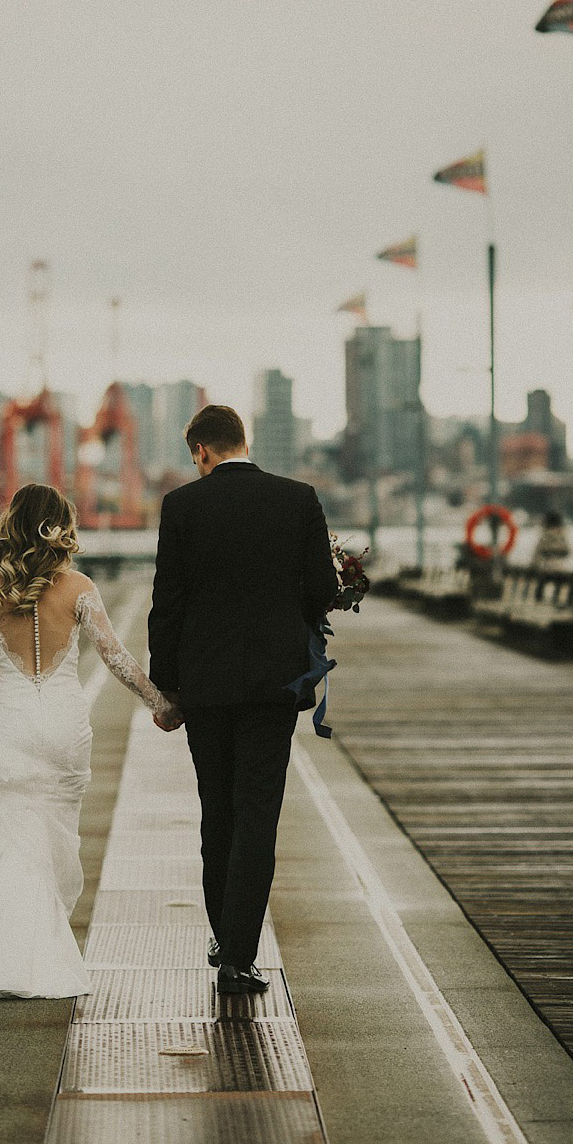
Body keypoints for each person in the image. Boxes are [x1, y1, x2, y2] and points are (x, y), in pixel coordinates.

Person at [0, 485, 178, 997]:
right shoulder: (79, 587)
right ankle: (36, 953)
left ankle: (7, 957)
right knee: (53, 841)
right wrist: (159, 703)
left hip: (13, 723)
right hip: (64, 725)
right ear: (62, 526)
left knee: (17, 842)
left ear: (12, 523)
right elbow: (115, 656)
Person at [148, 405, 339, 995]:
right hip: (272, 686)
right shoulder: (298, 499)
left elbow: (167, 602)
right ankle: (238, 953)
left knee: (218, 809)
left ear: (201, 451)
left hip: (206, 686)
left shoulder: (182, 506)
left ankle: (222, 933)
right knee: (258, 813)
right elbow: (322, 591)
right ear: (243, 442)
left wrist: (166, 685)